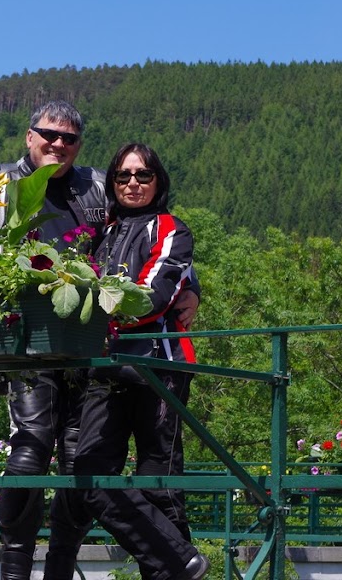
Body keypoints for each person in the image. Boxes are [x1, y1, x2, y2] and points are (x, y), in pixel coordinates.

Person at [0, 100, 107, 580]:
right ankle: (14, 569)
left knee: (78, 452)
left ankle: (60, 566)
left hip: (86, 335)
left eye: (69, 138)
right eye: (50, 134)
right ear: (29, 136)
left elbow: (136, 237)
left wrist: (187, 287)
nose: (59, 144)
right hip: (22, 334)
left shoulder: (97, 185)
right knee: (32, 442)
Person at [70, 142, 208, 580]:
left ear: (158, 182)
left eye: (143, 175)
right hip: (105, 365)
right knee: (90, 474)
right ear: (112, 182)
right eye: (123, 176)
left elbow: (155, 293)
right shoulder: (100, 232)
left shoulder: (171, 229)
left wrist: (92, 309)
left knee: (159, 481)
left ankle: (170, 568)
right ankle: (181, 560)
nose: (132, 183)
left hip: (159, 363)